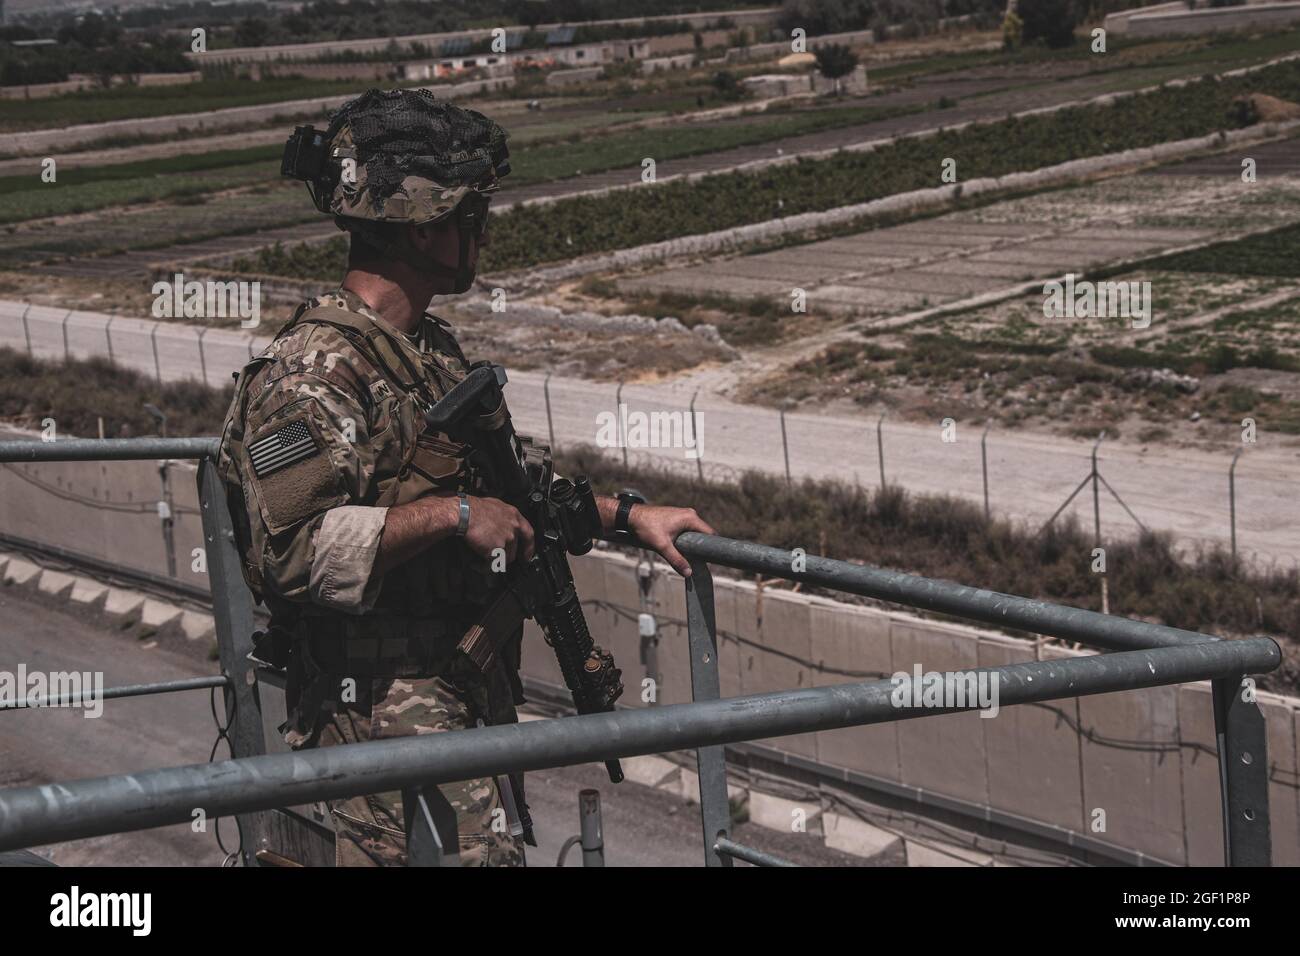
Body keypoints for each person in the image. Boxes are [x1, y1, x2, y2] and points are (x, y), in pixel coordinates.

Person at [216, 88, 714, 867]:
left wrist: (625, 517)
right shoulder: (311, 375)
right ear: (421, 225)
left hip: (452, 692)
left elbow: (515, 492)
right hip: (379, 708)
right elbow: (292, 554)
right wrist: (451, 515)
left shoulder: (427, 352)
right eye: (470, 215)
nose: (482, 232)